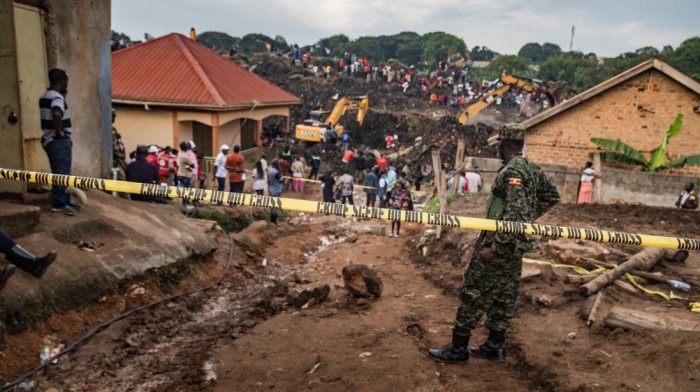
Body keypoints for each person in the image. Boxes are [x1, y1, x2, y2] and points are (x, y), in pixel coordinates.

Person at [428, 123, 560, 364]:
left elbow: (515, 215)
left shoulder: (512, 172)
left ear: (502, 144)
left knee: (472, 293)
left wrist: (496, 248)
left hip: (500, 244)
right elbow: (552, 196)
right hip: (516, 247)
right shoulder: (530, 167)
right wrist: (528, 217)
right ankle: (494, 346)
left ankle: (457, 350)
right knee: (503, 295)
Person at [40, 68, 78, 216]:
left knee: (60, 171)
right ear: (62, 81)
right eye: (66, 80)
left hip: (49, 139)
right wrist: (60, 133)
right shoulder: (57, 98)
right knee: (61, 172)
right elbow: (57, 113)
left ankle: (64, 198)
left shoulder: (45, 96)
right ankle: (59, 203)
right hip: (58, 140)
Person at [177, 141, 195, 207]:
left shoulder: (180, 153)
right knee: (186, 191)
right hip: (186, 175)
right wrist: (190, 166)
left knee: (183, 190)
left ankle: (184, 204)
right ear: (186, 147)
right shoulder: (185, 156)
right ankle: (185, 204)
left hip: (180, 173)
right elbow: (192, 165)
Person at [267, 160, 284, 226]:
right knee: (275, 206)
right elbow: (281, 180)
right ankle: (274, 222)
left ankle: (272, 221)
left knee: (272, 206)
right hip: (276, 190)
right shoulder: (276, 172)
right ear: (277, 165)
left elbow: (268, 180)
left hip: (271, 189)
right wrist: (282, 178)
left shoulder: (269, 170)